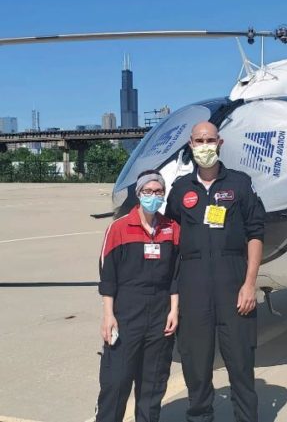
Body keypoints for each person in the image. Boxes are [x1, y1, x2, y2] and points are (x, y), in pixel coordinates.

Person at [166, 121, 265, 422]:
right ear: (191, 145)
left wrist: (249, 284)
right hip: (193, 287)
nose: (205, 145)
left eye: (210, 140)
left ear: (220, 143)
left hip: (233, 285)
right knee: (195, 367)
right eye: (199, 141)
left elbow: (256, 234)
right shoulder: (181, 189)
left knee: (241, 365)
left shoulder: (239, 184)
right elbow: (169, 236)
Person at [95, 170, 180, 422]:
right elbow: (107, 276)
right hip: (126, 311)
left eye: (158, 192)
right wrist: (108, 315)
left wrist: (174, 310)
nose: (153, 196)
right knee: (116, 380)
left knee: (153, 384)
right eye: (148, 191)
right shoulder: (119, 229)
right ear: (138, 193)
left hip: (160, 311)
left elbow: (176, 274)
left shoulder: (172, 229)